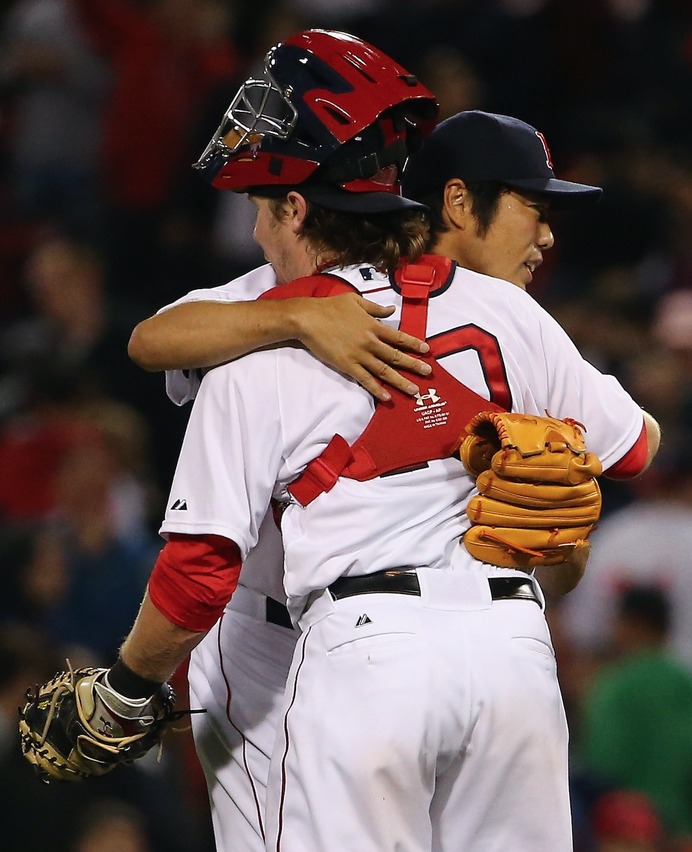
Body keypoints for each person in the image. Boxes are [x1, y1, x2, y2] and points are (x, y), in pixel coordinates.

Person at [36, 31, 660, 850]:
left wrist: (124, 686)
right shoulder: (504, 309)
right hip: (512, 651)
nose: (256, 231)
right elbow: (639, 449)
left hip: (359, 651)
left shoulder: (248, 351)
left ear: (295, 206)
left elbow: (196, 574)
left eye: (261, 209)